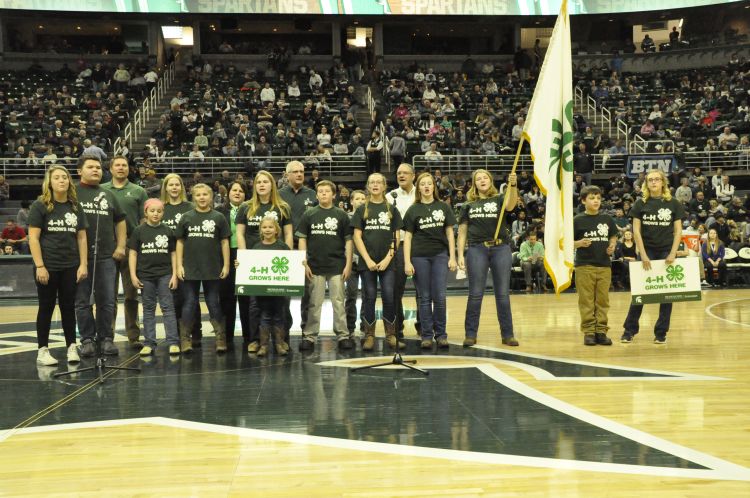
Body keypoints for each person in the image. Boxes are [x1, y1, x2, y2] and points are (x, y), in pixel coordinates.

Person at [28, 165, 88, 366]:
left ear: (69, 181)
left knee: (68, 307)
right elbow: (34, 239)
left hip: (70, 266)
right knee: (46, 307)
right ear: (50, 182)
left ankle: (71, 346)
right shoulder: (40, 205)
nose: (62, 180)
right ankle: (42, 350)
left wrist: (83, 265)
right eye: (57, 178)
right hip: (48, 266)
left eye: (65, 177)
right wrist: (40, 266)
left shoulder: (75, 206)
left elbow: (81, 238)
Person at [457, 169, 519, 348]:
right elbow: (462, 233)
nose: (482, 180)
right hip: (477, 249)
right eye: (478, 179)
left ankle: (508, 334)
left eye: (485, 178)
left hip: (501, 248)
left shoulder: (500, 198)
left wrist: (512, 185)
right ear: (474, 183)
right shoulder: (467, 205)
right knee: (475, 294)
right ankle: (470, 334)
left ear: (490, 181)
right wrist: (460, 254)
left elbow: (510, 205)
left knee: (503, 294)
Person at [621, 170, 685, 344]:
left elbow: (678, 230)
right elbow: (636, 231)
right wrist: (643, 253)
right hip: (646, 250)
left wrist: (673, 252)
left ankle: (661, 333)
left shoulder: (674, 204)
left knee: (666, 295)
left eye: (657, 179)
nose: (654, 182)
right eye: (650, 180)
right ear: (646, 184)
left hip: (666, 251)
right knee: (640, 292)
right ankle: (629, 330)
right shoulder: (640, 204)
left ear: (663, 182)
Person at [75, 155, 127, 357]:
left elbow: (120, 221)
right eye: (90, 167)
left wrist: (121, 245)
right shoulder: (72, 193)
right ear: (80, 171)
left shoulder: (108, 195)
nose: (96, 170)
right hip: (79, 258)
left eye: (98, 167)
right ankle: (87, 339)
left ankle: (106, 338)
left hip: (106, 256)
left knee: (107, 300)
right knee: (82, 301)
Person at [236, 171, 293, 352]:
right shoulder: (245, 207)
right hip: (255, 262)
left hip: (278, 262)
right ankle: (255, 340)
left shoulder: (283, 207)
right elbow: (239, 233)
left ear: (272, 185)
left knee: (281, 303)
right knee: (254, 305)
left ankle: (282, 340)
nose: (261, 185)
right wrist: (244, 258)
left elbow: (288, 234)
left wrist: (289, 257)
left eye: (265, 182)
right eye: (258, 182)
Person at [296, 180, 353, 351]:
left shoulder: (341, 215)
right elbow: (302, 239)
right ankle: (310, 336)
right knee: (314, 302)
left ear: (333, 194)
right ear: (316, 194)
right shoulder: (309, 214)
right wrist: (304, 262)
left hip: (336, 265)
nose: (323, 194)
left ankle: (343, 335)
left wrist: (348, 263)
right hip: (314, 266)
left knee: (338, 301)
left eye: (326, 191)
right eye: (320, 191)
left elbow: (349, 241)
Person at [403, 172, 457, 350]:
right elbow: (408, 238)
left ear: (434, 187)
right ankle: (426, 335)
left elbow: (450, 233)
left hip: (440, 255)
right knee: (424, 298)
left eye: (429, 184)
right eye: (422, 184)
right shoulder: (413, 209)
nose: (426, 186)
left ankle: (441, 335)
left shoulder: (443, 207)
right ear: (418, 188)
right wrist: (407, 262)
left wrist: (453, 257)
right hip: (419, 256)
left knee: (440, 297)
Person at [175, 183, 231, 353]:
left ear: (211, 197)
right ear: (193, 197)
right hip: (190, 267)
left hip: (212, 267)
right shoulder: (186, 217)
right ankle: (185, 339)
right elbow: (180, 242)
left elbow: (224, 242)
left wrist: (226, 264)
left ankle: (220, 339)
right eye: (198, 195)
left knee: (213, 302)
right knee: (190, 302)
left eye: (205, 194)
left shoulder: (218, 217)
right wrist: (179, 265)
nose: (201, 197)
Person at [352, 174, 403, 351]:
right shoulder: (361, 209)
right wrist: (367, 259)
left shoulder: (391, 209)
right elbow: (357, 236)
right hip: (368, 263)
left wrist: (388, 258)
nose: (375, 185)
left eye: (378, 182)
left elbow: (397, 236)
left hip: (388, 263)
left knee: (389, 297)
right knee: (370, 297)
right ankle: (369, 335)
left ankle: (391, 335)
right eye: (371, 182)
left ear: (384, 186)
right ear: (368, 186)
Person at [103, 156, 148, 348]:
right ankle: (107, 337)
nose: (121, 168)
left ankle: (133, 335)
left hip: (131, 247)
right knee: (108, 296)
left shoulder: (138, 191)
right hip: (107, 248)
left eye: (124, 165)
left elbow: (145, 221)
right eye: (117, 165)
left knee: (131, 295)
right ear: (111, 169)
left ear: (128, 169)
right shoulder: (102, 190)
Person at [128, 199, 180, 356]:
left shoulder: (168, 230)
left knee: (168, 308)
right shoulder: (138, 231)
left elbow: (173, 253)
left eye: (159, 211)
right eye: (152, 211)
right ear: (146, 212)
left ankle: (173, 342)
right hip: (145, 276)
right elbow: (133, 253)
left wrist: (175, 274)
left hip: (165, 274)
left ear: (163, 213)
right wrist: (133, 275)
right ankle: (149, 343)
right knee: (148, 309)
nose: (155, 214)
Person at [573, 186, 619, 346]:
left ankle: (601, 331)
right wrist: (578, 243)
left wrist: (612, 245)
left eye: (598, 198)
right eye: (592, 198)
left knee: (603, 300)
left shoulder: (607, 219)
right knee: (586, 300)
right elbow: (565, 244)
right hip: (584, 266)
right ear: (584, 200)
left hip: (604, 266)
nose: (596, 201)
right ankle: (589, 332)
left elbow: (613, 235)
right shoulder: (577, 220)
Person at [160, 173, 201, 346]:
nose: (174, 187)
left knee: (191, 297)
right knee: (174, 298)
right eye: (171, 185)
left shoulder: (190, 207)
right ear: (166, 188)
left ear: (182, 188)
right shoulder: (161, 207)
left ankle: (195, 331)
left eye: (177, 184)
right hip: (165, 257)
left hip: (189, 258)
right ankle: (178, 333)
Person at [279, 161, 317, 337]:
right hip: (284, 248)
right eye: (295, 172)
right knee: (283, 293)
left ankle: (306, 331)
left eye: (302, 171)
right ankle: (284, 330)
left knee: (307, 292)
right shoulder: (278, 195)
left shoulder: (312, 194)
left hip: (307, 248)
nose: (300, 174)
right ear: (287, 175)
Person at [251, 215, 291, 356]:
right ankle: (264, 346)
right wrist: (240, 264)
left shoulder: (283, 247)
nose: (267, 230)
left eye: (270, 227)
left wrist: (301, 264)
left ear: (276, 230)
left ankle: (279, 344)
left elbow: (291, 264)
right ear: (261, 230)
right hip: (262, 292)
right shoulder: (256, 247)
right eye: (264, 227)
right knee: (265, 316)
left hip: (279, 291)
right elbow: (251, 265)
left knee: (280, 316)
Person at [388, 163, 418, 338]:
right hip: (398, 246)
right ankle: (397, 327)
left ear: (413, 175)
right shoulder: (390, 196)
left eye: (405, 173)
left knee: (423, 290)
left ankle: (423, 326)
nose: (401, 175)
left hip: (420, 245)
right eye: (399, 173)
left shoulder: (421, 194)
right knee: (395, 289)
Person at [218, 181, 248, 351]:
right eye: (234, 190)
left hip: (245, 255)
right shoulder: (220, 211)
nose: (237, 193)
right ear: (228, 193)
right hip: (225, 256)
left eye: (241, 191)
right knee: (226, 298)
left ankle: (248, 336)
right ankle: (227, 336)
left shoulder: (250, 209)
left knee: (246, 297)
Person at [345, 190, 366, 339]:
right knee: (351, 295)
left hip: (366, 261)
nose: (360, 201)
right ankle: (349, 327)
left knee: (367, 295)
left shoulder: (369, 216)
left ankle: (365, 327)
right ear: (351, 201)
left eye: (363, 198)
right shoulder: (345, 218)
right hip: (350, 262)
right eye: (357, 198)